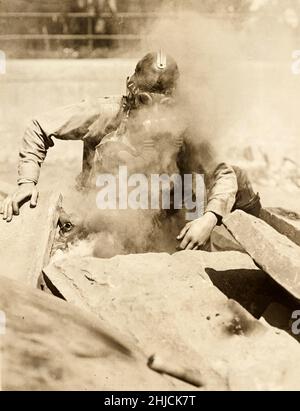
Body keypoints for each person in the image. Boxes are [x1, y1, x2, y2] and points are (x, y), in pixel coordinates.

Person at [0, 51, 261, 251]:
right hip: (107, 214)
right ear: (131, 89)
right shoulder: (106, 114)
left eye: (165, 104)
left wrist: (210, 218)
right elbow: (39, 127)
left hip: (168, 218)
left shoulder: (186, 123)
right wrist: (26, 182)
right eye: (146, 101)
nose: (154, 113)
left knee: (239, 179)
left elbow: (223, 172)